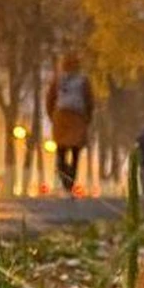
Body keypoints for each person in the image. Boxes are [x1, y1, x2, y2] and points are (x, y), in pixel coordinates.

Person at [46, 53, 94, 196]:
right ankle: (69, 183)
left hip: (60, 117)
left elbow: (49, 99)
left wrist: (53, 117)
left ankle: (64, 177)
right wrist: (87, 118)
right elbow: (89, 100)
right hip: (77, 118)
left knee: (60, 152)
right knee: (75, 153)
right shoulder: (84, 80)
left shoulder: (58, 80)